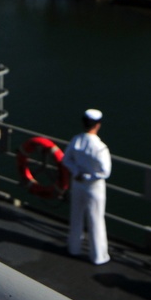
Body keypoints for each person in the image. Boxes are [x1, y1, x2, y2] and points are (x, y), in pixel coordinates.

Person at [62, 108, 111, 265]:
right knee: (96, 220)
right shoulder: (100, 147)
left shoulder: (76, 140)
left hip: (77, 184)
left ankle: (73, 248)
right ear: (98, 125)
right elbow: (105, 171)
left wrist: (77, 172)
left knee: (76, 217)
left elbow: (66, 160)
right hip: (94, 188)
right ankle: (98, 256)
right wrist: (89, 176)